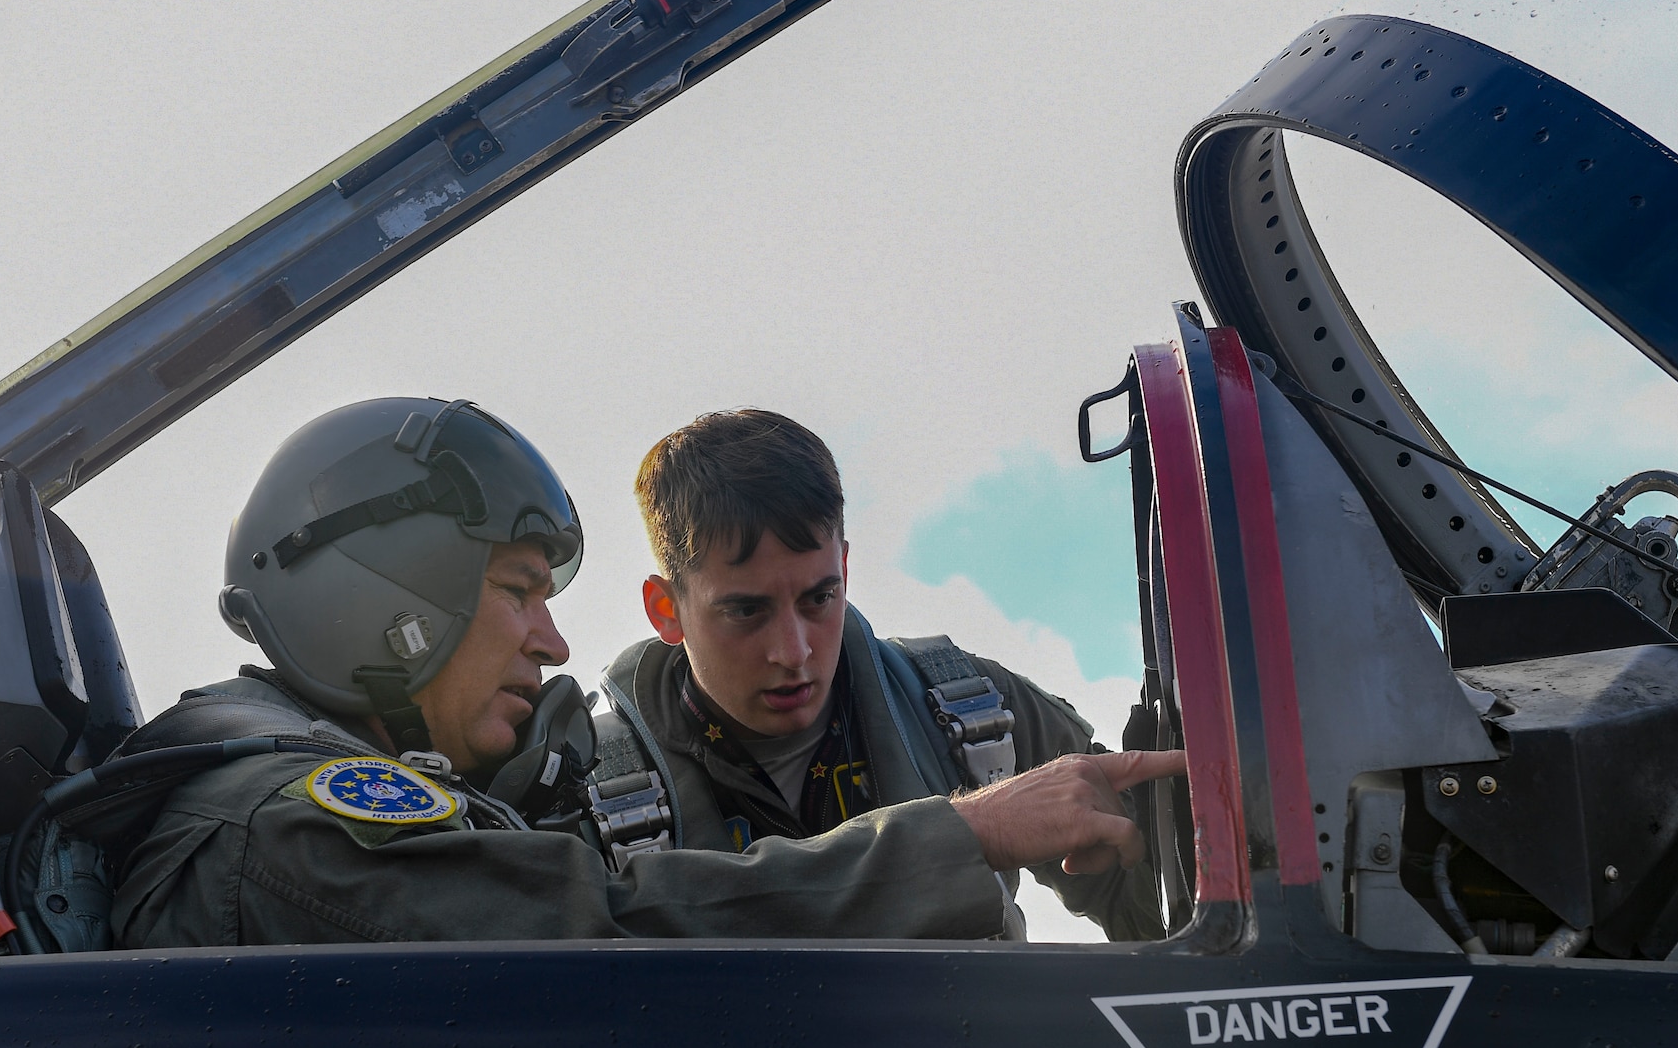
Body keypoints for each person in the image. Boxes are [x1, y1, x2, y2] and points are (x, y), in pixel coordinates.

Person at [110, 397, 1181, 949]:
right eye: (518, 592)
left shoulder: (966, 711)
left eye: (817, 597)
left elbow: (1183, 901)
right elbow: (612, 931)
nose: (549, 640)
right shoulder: (293, 827)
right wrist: (970, 832)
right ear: (401, 607)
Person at [594, 409, 1165, 940]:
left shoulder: (979, 716)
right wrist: (972, 830)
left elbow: (1164, 913)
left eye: (820, 597)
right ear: (666, 609)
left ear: (844, 565)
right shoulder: (582, 796)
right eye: (747, 611)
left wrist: (1172, 834)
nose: (793, 652)